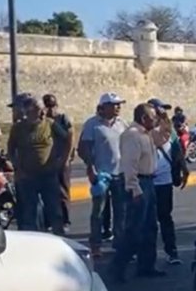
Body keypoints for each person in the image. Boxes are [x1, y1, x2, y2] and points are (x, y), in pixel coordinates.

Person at [118, 102, 174, 280]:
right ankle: (117, 268)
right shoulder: (132, 135)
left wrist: (164, 118)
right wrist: (134, 188)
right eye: (153, 117)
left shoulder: (148, 134)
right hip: (139, 182)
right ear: (143, 118)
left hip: (150, 181)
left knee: (150, 227)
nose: (155, 120)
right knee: (135, 229)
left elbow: (165, 137)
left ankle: (147, 265)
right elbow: (129, 164)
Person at [8, 94, 69, 235]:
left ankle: (59, 236)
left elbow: (67, 137)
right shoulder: (18, 128)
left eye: (43, 109)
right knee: (30, 211)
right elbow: (11, 149)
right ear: (28, 111)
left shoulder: (50, 124)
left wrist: (62, 160)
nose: (42, 113)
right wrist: (17, 166)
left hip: (48, 174)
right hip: (27, 176)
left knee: (54, 210)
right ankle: (32, 238)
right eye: (37, 109)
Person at [78, 93, 128, 255]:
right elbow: (83, 148)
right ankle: (96, 245)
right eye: (114, 104)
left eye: (119, 104)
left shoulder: (122, 124)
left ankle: (120, 244)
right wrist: (90, 167)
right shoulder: (92, 125)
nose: (118, 107)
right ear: (104, 107)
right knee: (98, 212)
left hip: (120, 173)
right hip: (101, 174)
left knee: (121, 211)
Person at [151, 99, 189, 265]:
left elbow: (177, 152)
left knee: (165, 217)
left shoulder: (169, 131)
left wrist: (184, 170)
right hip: (147, 181)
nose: (163, 112)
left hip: (164, 181)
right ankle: (146, 254)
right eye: (160, 109)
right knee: (147, 221)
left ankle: (172, 251)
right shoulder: (143, 130)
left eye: (164, 110)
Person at [43, 94, 75, 231]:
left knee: (63, 191)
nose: (50, 109)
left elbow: (68, 137)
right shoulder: (41, 121)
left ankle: (65, 220)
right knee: (47, 192)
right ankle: (48, 220)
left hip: (61, 159)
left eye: (52, 106)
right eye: (47, 106)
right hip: (46, 161)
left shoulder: (62, 119)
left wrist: (66, 158)